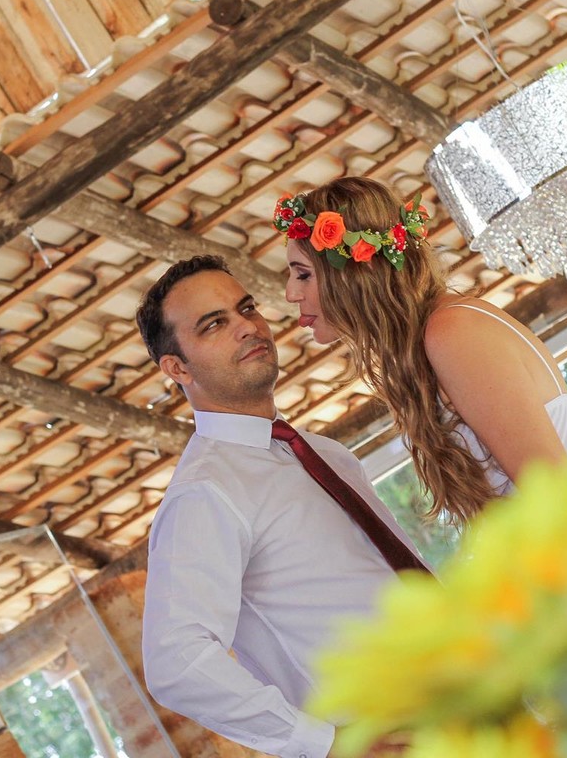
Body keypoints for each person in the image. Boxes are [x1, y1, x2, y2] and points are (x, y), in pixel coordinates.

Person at [136, 255, 424, 758]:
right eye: (214, 324)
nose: (247, 326)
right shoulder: (205, 494)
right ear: (177, 367)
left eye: (245, 308)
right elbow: (175, 661)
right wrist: (325, 745)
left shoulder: (325, 454)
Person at [279, 177, 567, 525]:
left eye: (303, 275)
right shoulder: (434, 337)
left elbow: (558, 496)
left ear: (361, 267)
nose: (290, 294)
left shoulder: (453, 332)